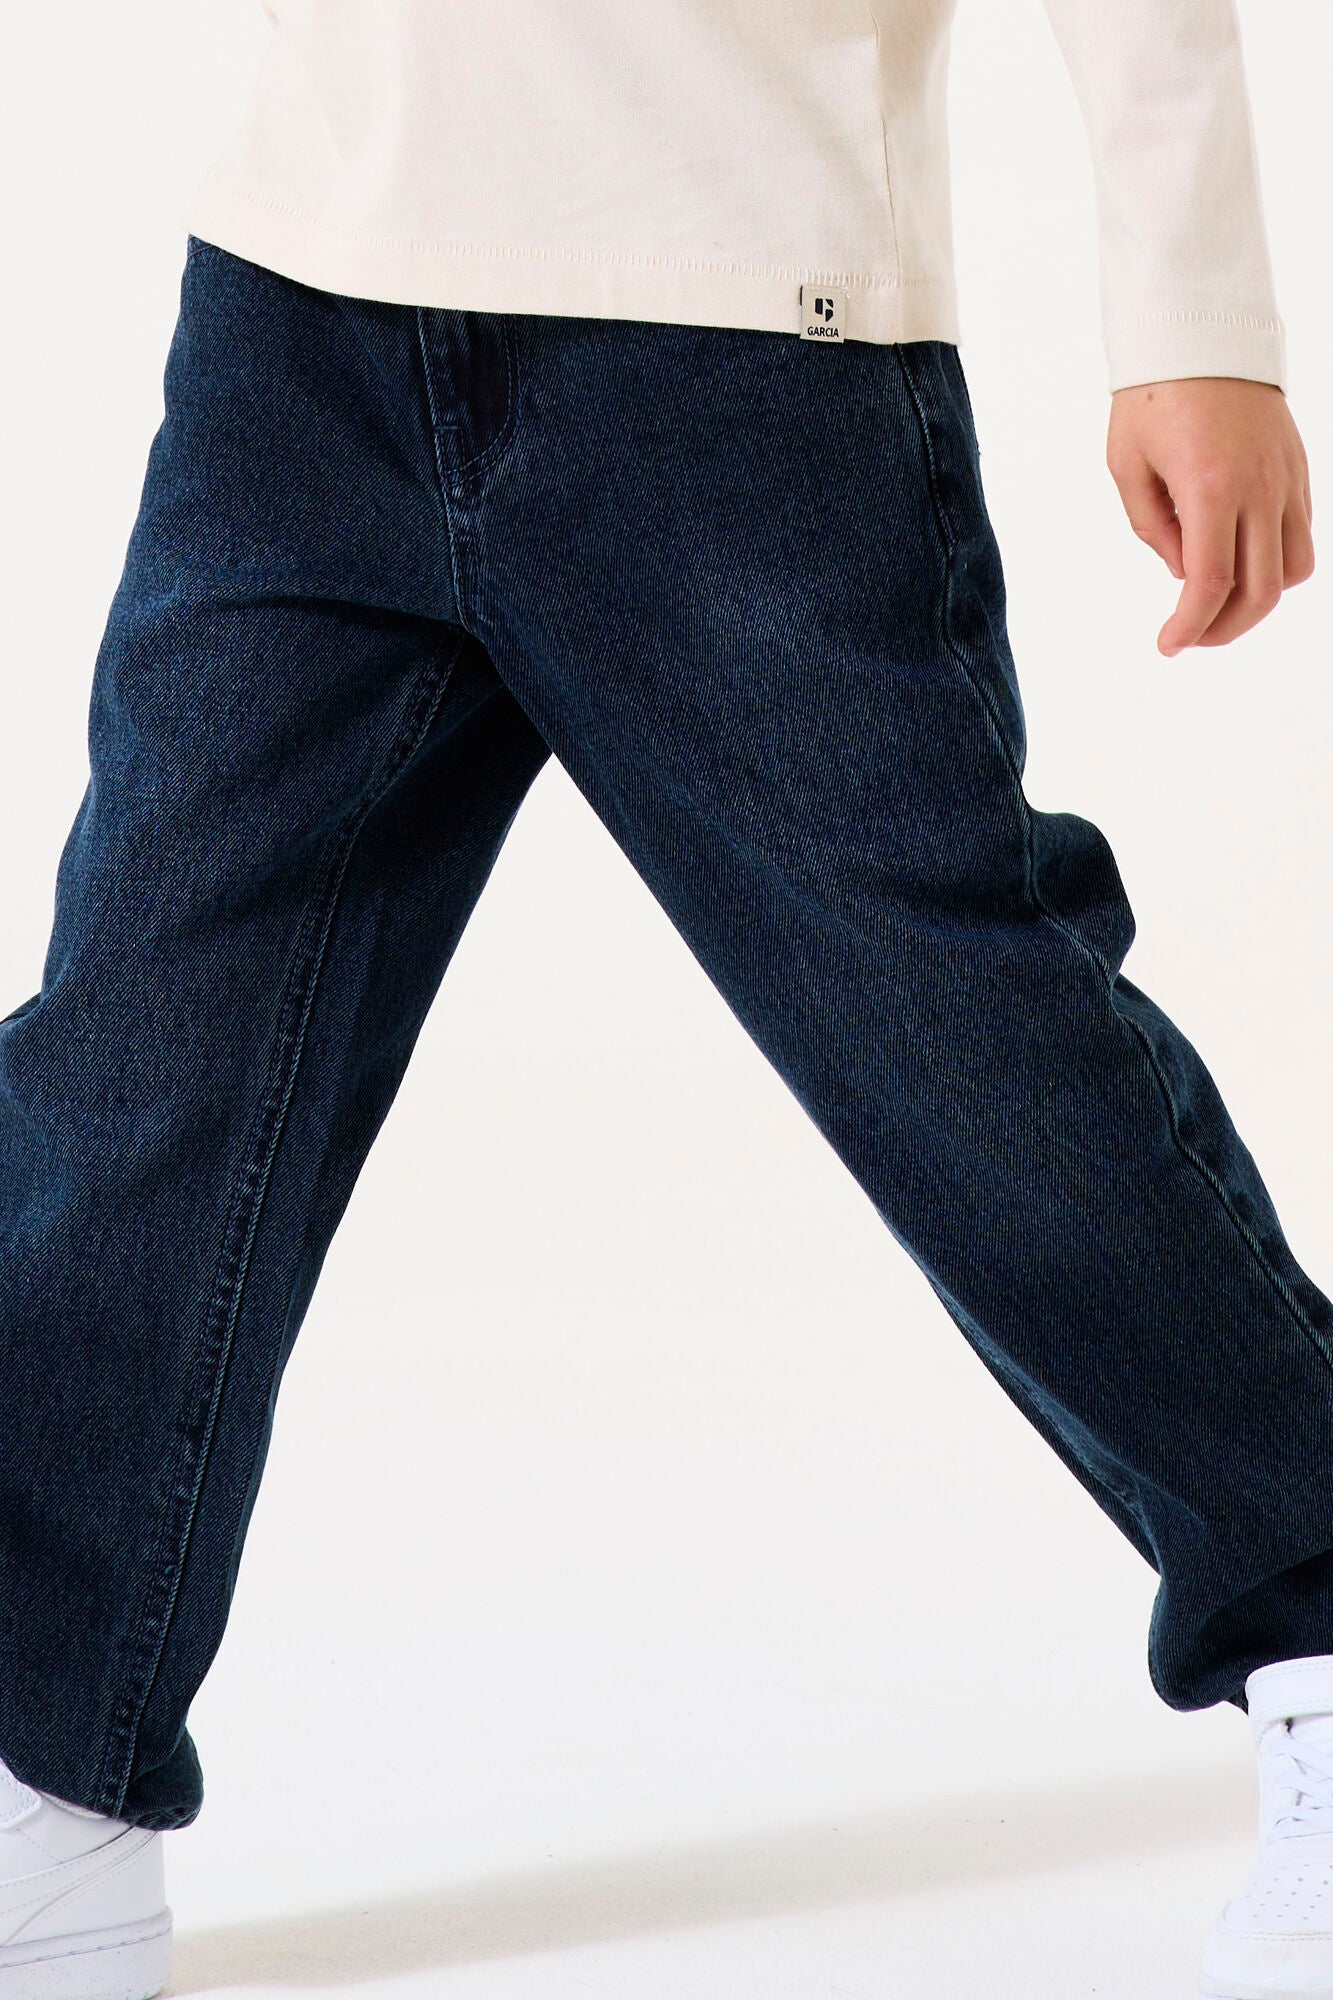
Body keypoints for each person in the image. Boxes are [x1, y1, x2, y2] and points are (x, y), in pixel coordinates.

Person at [0, 2, 1327, 1996]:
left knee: (965, 1047)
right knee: (137, 1056)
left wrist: (1194, 312)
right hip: (301, 309)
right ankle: (41, 1781)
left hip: (735, 330)